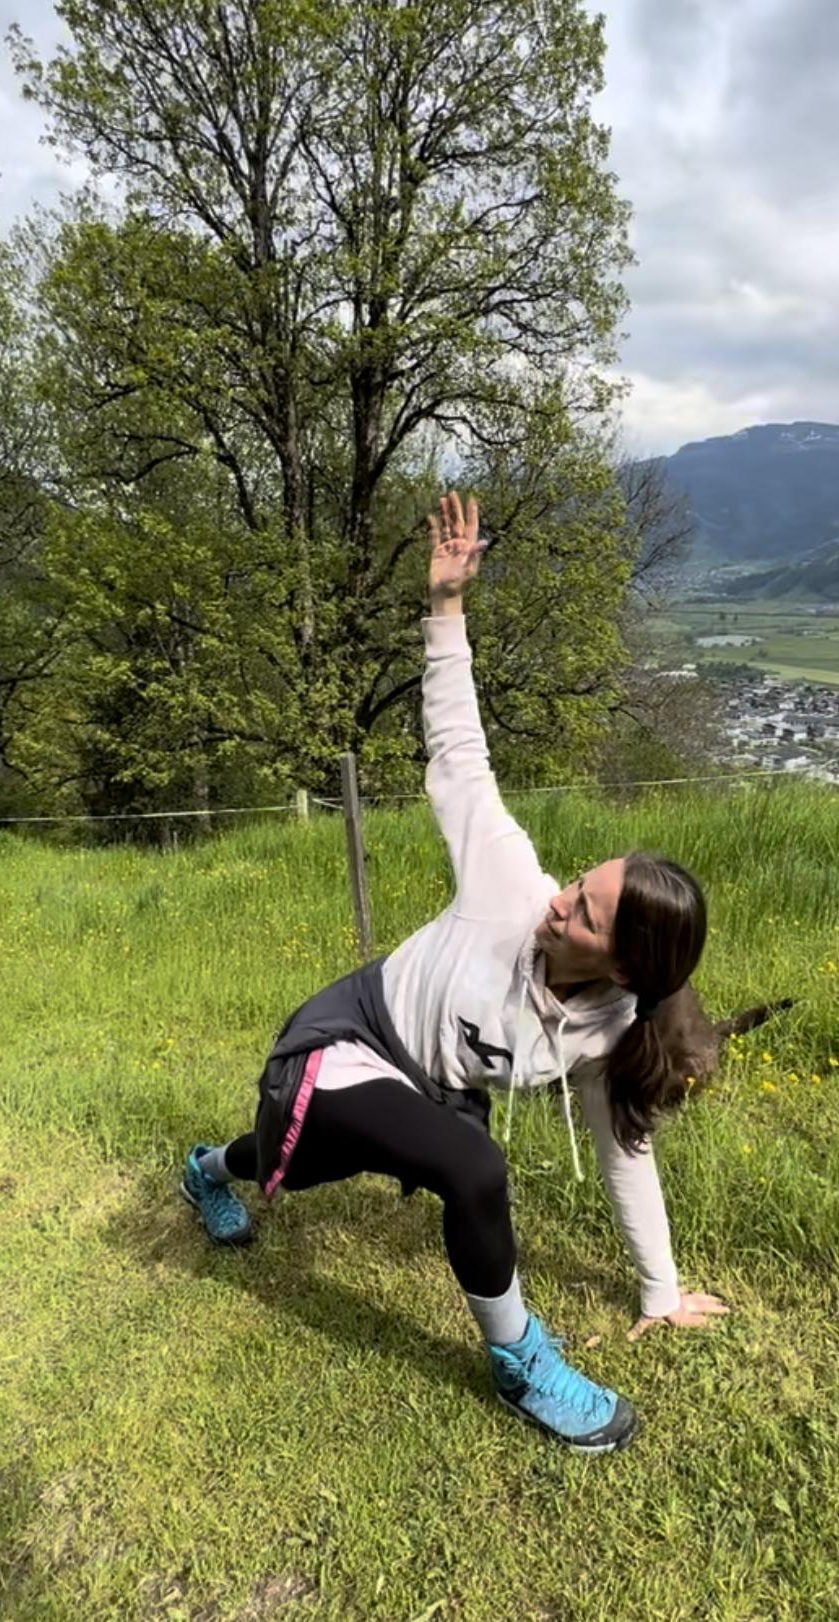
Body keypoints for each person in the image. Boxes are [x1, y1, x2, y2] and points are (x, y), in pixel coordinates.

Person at [180, 490, 727, 1454]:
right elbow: (460, 752)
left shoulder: (613, 1029)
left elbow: (623, 1150)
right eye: (580, 884)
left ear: (622, 966)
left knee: (304, 1162)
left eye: (586, 912)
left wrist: (661, 1290)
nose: (559, 900)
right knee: (467, 1164)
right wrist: (445, 609)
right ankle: (520, 1361)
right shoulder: (511, 881)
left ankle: (206, 1170)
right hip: (347, 1040)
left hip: (423, 1090)